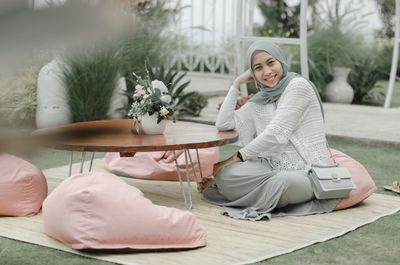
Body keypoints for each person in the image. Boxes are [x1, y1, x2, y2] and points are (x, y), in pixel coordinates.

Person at [199, 39, 340, 220]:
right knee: (226, 175)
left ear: (280, 61)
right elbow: (224, 124)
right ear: (253, 73)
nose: (267, 72)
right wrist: (237, 83)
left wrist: (234, 158)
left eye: (271, 63)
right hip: (269, 167)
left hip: (308, 171)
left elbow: (274, 134)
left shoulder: (298, 86)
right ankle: (258, 195)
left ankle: (246, 195)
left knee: (283, 182)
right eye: (258, 68)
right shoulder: (261, 99)